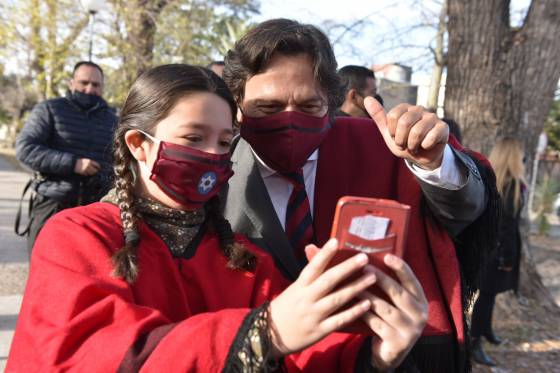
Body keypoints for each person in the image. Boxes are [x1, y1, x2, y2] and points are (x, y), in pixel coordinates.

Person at [7, 64, 428, 372]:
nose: (212, 155)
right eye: (193, 138)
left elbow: (305, 357)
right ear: (138, 144)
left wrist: (374, 355)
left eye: (225, 142)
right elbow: (93, 355)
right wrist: (267, 332)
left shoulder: (245, 259)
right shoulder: (76, 234)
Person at [222, 18, 499, 372]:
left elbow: (468, 210)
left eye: (309, 107)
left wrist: (433, 161)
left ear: (332, 101)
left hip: (388, 353)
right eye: (268, 107)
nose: (289, 121)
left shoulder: (386, 145)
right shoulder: (214, 167)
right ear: (237, 102)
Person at [15, 61, 118, 252]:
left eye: (95, 85)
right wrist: (73, 164)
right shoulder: (49, 109)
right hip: (53, 204)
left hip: (96, 210)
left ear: (102, 88)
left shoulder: (113, 120)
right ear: (72, 83)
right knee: (45, 275)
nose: (89, 89)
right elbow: (25, 149)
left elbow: (121, 162)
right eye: (83, 82)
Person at [471, 137, 526, 367]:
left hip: (487, 248)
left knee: (488, 295)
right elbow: (508, 226)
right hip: (498, 251)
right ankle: (474, 342)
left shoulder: (491, 180)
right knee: (485, 297)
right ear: (513, 157)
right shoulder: (511, 185)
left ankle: (486, 330)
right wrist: (508, 257)